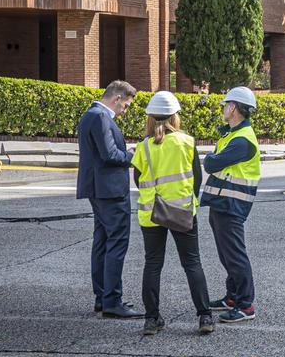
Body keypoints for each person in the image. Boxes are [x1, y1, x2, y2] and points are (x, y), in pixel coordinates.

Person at [130, 91, 214, 336]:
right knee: (192, 263)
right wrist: (188, 199)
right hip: (182, 211)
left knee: (153, 264)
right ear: (174, 117)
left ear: (150, 118)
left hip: (151, 213)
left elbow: (138, 179)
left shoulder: (143, 147)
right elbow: (196, 178)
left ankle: (151, 319)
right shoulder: (187, 142)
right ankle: (205, 316)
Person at [77, 80, 143, 318]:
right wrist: (132, 155)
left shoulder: (91, 115)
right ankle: (112, 301)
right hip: (109, 191)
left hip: (99, 189)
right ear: (116, 98)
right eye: (125, 105)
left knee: (102, 241)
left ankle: (102, 297)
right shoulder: (101, 117)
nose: (124, 111)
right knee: (116, 242)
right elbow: (109, 155)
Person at [203, 87, 262, 324]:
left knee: (235, 256)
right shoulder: (231, 135)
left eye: (225, 104)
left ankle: (245, 305)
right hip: (222, 203)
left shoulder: (242, 140)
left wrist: (210, 159)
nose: (222, 108)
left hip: (232, 205)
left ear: (234, 107)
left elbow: (212, 163)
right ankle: (232, 297)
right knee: (227, 255)